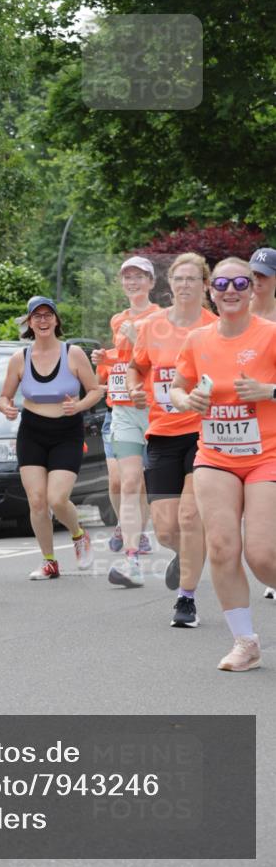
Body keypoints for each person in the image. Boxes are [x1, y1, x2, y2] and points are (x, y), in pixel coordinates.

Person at [170, 257, 276, 671]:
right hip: (214, 455)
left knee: (263, 555)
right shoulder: (197, 340)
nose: (230, 290)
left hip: (266, 455)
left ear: (252, 289)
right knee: (220, 547)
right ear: (211, 290)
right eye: (222, 283)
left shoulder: (270, 335)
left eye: (240, 283)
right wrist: (187, 400)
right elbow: (178, 388)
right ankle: (246, 642)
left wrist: (269, 390)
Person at [127, 253, 216, 626]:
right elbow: (136, 366)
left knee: (190, 516)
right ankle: (188, 553)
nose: (184, 285)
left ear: (204, 285)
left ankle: (186, 599)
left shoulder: (215, 326)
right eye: (178, 279)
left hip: (204, 434)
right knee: (165, 529)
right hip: (162, 433)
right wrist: (134, 388)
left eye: (192, 279)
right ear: (169, 284)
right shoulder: (151, 326)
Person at [0, 296, 104, 579]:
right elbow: (4, 396)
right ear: (29, 323)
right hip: (31, 431)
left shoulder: (73, 353)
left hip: (67, 431)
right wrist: (6, 406)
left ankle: (79, 535)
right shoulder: (21, 357)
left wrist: (79, 406)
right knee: (36, 500)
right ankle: (49, 561)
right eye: (37, 316)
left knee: (57, 499)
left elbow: (95, 390)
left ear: (56, 320)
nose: (43, 321)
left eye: (48, 315)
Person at [91, 257, 160, 588]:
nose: (132, 282)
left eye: (139, 277)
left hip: (154, 410)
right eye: (127, 277)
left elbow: (161, 361)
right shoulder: (117, 319)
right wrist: (104, 360)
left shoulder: (161, 317)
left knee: (159, 491)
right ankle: (132, 556)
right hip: (121, 408)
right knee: (126, 481)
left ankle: (171, 540)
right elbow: (121, 362)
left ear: (150, 281)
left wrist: (136, 341)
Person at [249, 248, 276, 601]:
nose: (256, 282)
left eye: (264, 275)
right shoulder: (235, 316)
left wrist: (269, 390)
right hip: (244, 429)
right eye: (253, 274)